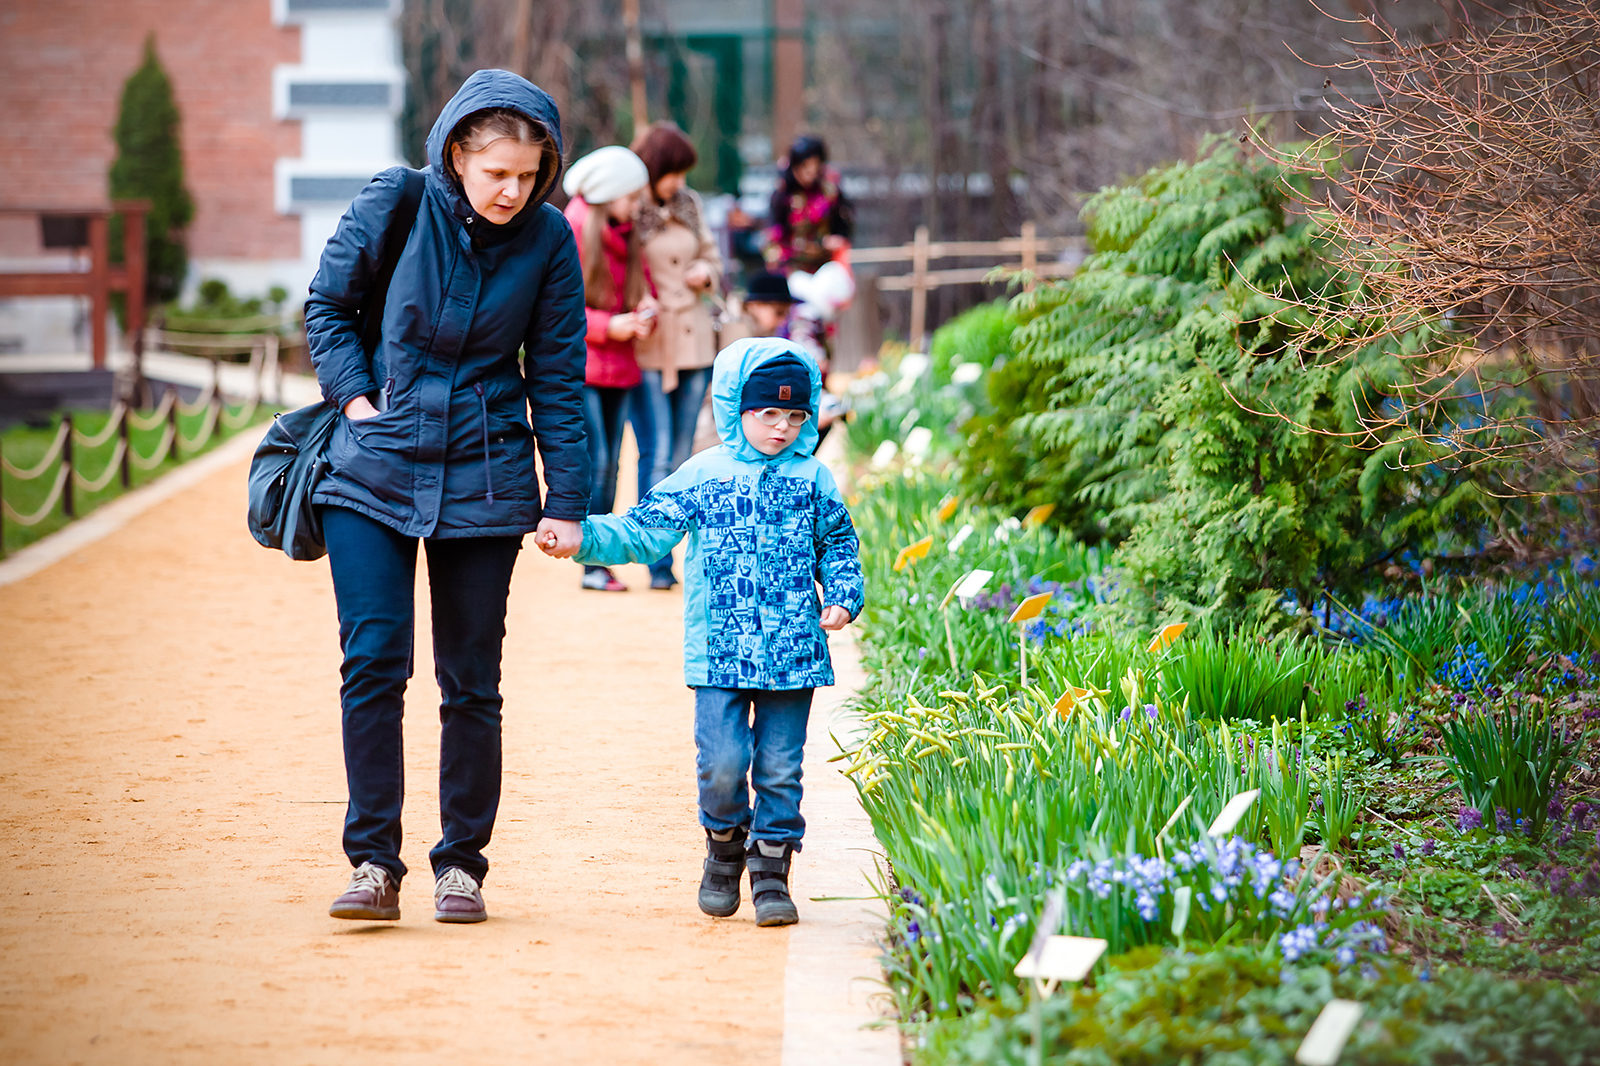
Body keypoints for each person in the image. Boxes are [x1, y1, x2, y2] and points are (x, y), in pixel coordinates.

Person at [302, 69, 590, 924]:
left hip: (487, 476)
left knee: (472, 681)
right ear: (457, 152)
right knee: (374, 665)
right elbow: (327, 304)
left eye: (529, 175)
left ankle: (461, 865)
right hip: (371, 472)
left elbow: (560, 376)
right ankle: (372, 864)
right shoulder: (396, 201)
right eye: (497, 170)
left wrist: (566, 499)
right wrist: (357, 399)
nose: (513, 190)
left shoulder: (548, 240)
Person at [536, 337, 864, 927]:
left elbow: (838, 545)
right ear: (734, 406)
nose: (782, 428)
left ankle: (771, 870)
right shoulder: (704, 474)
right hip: (720, 651)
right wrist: (582, 537)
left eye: (796, 415)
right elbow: (644, 530)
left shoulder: (813, 478)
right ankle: (723, 845)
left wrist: (842, 597)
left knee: (781, 769)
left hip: (794, 654)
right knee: (721, 764)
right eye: (768, 413)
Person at [627, 122, 724, 590]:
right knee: (657, 452)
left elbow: (712, 254)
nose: (679, 182)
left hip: (695, 340)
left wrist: (705, 272)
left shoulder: (690, 205)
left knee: (684, 455)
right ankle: (655, 559)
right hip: (649, 344)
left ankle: (673, 560)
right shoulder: (629, 207)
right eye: (674, 172)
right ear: (655, 168)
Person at [562, 145, 657, 591]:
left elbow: (640, 286)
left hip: (621, 365)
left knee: (613, 463)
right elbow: (558, 307)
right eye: (633, 194)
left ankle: (597, 556)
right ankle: (590, 562)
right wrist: (608, 326)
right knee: (596, 460)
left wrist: (645, 308)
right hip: (585, 365)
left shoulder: (626, 231)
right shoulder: (577, 226)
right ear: (612, 191)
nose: (639, 204)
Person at [765, 135, 853, 276]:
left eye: (814, 166)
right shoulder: (783, 194)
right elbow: (774, 233)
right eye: (804, 167)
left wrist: (837, 239)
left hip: (826, 265)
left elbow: (844, 223)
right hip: (791, 266)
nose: (809, 174)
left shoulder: (830, 191)